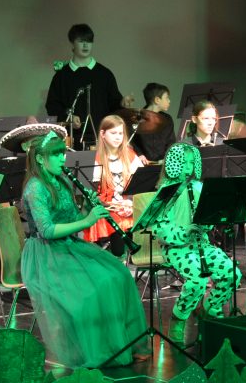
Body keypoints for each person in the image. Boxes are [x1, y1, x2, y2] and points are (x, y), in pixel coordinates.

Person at [20, 130, 147, 367]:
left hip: (68, 246)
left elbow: (73, 219)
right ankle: (101, 350)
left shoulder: (61, 181)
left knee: (119, 275)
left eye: (62, 154)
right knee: (93, 291)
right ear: (39, 158)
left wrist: (88, 208)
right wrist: (88, 220)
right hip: (46, 253)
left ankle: (126, 344)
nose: (62, 159)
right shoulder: (35, 188)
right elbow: (47, 230)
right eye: (56, 154)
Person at [151, 142, 242, 321]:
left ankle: (210, 307)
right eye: (183, 162)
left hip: (201, 244)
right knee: (198, 281)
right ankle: (179, 317)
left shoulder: (199, 188)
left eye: (191, 163)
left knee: (233, 274)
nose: (188, 167)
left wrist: (208, 222)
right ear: (173, 164)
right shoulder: (166, 192)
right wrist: (185, 232)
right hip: (176, 248)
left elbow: (209, 218)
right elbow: (160, 230)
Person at [46, 23, 131, 149]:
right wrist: (68, 118)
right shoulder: (62, 76)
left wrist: (122, 103)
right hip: (72, 140)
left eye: (89, 41)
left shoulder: (104, 74)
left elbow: (113, 105)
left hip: (101, 140)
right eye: (81, 41)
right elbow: (52, 106)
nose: (86, 45)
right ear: (72, 43)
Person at [85, 114, 145, 257]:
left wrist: (130, 203)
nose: (118, 137)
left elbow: (142, 185)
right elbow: (92, 195)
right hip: (107, 208)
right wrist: (113, 205)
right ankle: (118, 259)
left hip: (129, 206)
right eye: (113, 133)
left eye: (120, 133)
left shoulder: (130, 155)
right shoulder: (95, 158)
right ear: (102, 134)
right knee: (118, 234)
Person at [132, 82, 178, 163]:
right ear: (157, 100)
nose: (169, 101)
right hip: (142, 164)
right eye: (167, 98)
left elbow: (171, 142)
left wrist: (167, 158)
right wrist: (139, 154)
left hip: (163, 164)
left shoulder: (167, 119)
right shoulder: (137, 118)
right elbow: (131, 141)